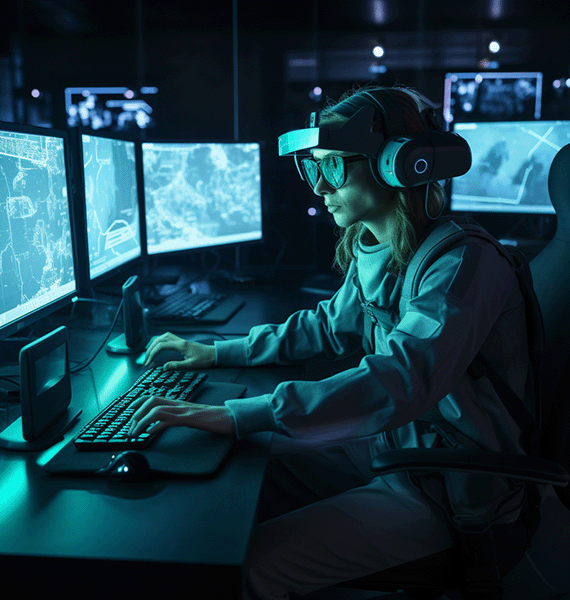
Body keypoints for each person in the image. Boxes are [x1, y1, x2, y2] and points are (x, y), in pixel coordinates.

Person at [127, 84, 536, 599]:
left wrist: (242, 413)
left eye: (334, 168)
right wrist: (216, 351)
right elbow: (325, 324)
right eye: (312, 169)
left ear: (399, 164)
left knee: (244, 570)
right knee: (229, 477)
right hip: (398, 446)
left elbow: (402, 380)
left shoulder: (463, 265)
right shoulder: (383, 245)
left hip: (451, 487)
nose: (319, 188)